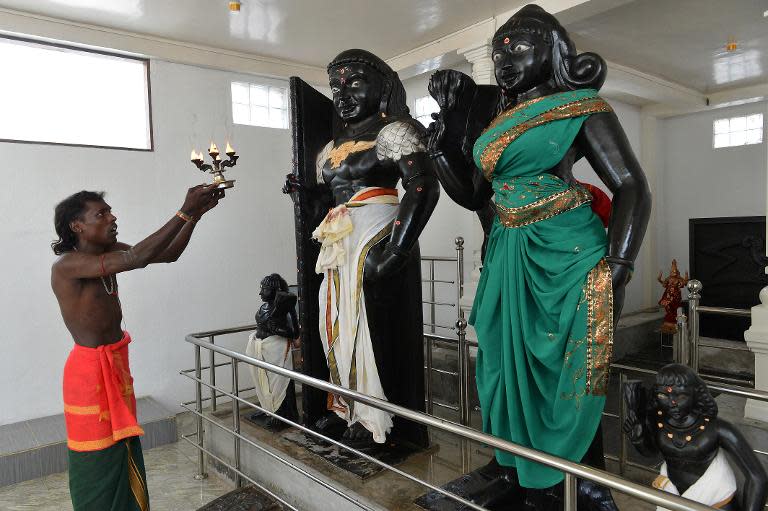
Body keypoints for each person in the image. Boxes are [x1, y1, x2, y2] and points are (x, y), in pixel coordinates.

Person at [428, 4, 650, 508]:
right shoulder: (499, 120)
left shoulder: (582, 108)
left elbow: (633, 185)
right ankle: (514, 465)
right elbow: (475, 195)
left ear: (551, 53)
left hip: (566, 253)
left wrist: (619, 264)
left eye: (518, 47)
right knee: (502, 360)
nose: (505, 59)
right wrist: (441, 151)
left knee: (562, 364)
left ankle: (573, 481)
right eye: (498, 50)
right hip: (507, 250)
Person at [284, 49, 439, 449]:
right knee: (333, 323)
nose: (343, 94)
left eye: (354, 82)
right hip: (339, 244)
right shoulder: (332, 146)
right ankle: (346, 408)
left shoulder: (394, 131)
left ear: (382, 86)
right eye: (336, 86)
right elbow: (325, 199)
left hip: (378, 236)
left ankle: (378, 418)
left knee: (369, 329)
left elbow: (421, 188)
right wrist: (302, 192)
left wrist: (396, 252)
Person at [51, 185, 223, 511]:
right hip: (89, 375)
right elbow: (137, 257)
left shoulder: (108, 251)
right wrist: (184, 211)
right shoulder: (67, 265)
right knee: (98, 456)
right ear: (77, 226)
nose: (113, 217)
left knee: (123, 446)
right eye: (101, 213)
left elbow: (167, 254)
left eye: (109, 210)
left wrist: (195, 216)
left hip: (114, 366)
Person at [624, 364, 768, 511]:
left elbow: (757, 477)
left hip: (717, 501)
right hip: (673, 499)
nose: (672, 403)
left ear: (695, 393)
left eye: (680, 396)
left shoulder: (718, 429)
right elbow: (651, 452)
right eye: (663, 395)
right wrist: (639, 438)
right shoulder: (659, 422)